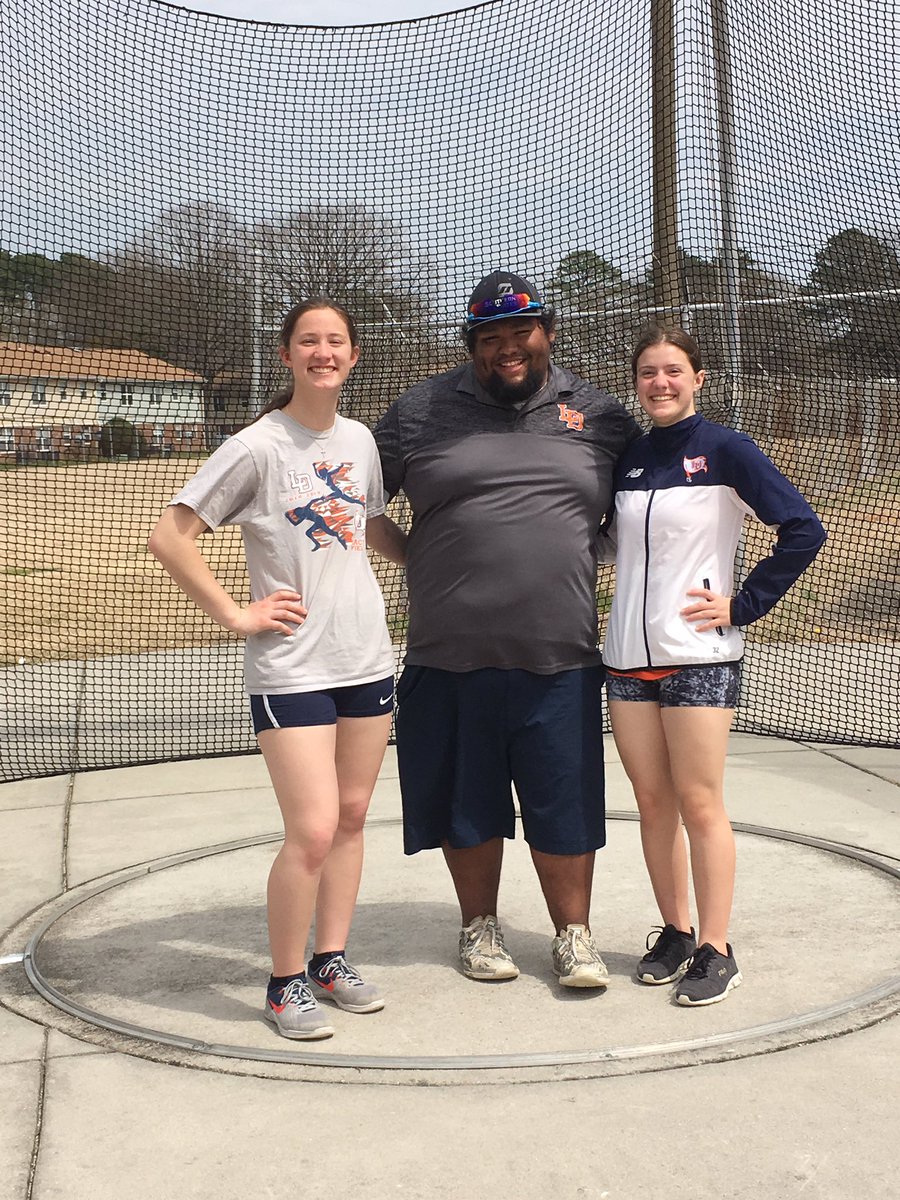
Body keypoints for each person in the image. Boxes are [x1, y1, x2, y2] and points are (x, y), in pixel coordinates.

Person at [371, 270, 641, 988]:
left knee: (567, 802)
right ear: (471, 346)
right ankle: (478, 929)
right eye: (490, 339)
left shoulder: (601, 414)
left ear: (547, 332)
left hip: (562, 655)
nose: (507, 349)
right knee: (468, 804)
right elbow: (358, 496)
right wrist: (415, 557)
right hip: (449, 653)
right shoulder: (418, 411)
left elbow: (645, 506)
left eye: (521, 332)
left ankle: (573, 936)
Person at [148, 298, 407, 1040]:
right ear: (288, 355)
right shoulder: (257, 445)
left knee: (353, 818)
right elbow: (171, 536)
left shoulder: (359, 440)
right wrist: (236, 615)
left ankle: (331, 959)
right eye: (308, 342)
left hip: (365, 656)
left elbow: (371, 524)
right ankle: (284, 981)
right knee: (314, 830)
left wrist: (437, 562)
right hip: (291, 666)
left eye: (336, 342)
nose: (323, 352)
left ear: (353, 357)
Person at [602, 324, 826, 1005]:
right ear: (636, 383)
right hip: (625, 661)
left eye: (673, 370)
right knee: (652, 803)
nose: (660, 383)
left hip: (699, 657)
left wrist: (744, 603)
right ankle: (675, 930)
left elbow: (803, 528)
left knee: (699, 803)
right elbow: (611, 545)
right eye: (648, 372)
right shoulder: (629, 457)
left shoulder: (726, 448)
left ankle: (715, 947)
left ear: (698, 378)